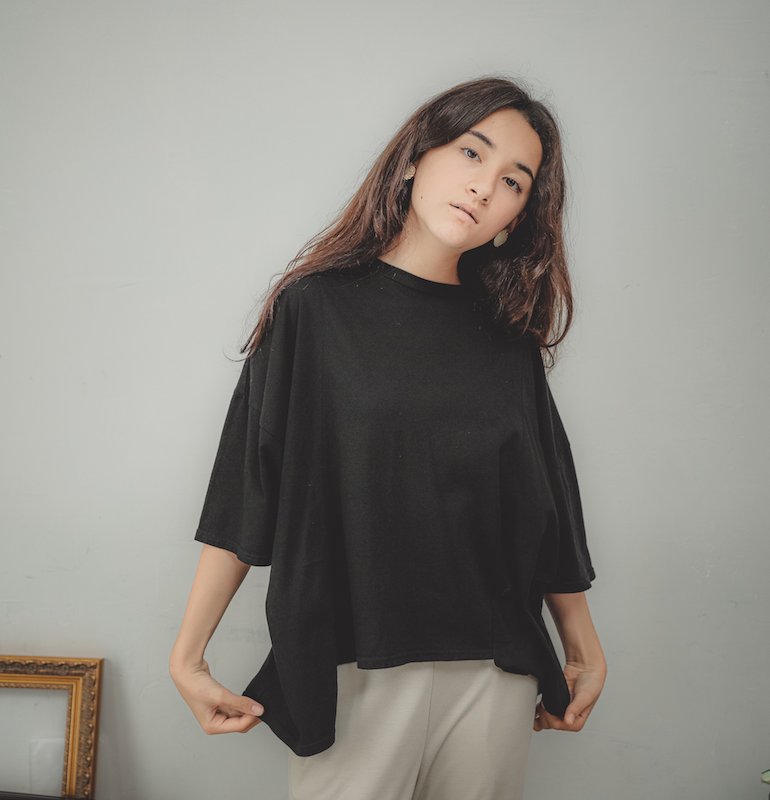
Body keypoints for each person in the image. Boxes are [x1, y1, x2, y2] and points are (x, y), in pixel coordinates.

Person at [169, 76, 606, 800]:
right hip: (353, 663)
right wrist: (188, 655)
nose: (484, 186)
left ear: (518, 215)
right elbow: (250, 488)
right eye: (471, 153)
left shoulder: (510, 341)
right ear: (413, 159)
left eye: (513, 181)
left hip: (494, 671)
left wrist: (582, 646)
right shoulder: (313, 310)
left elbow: (547, 503)